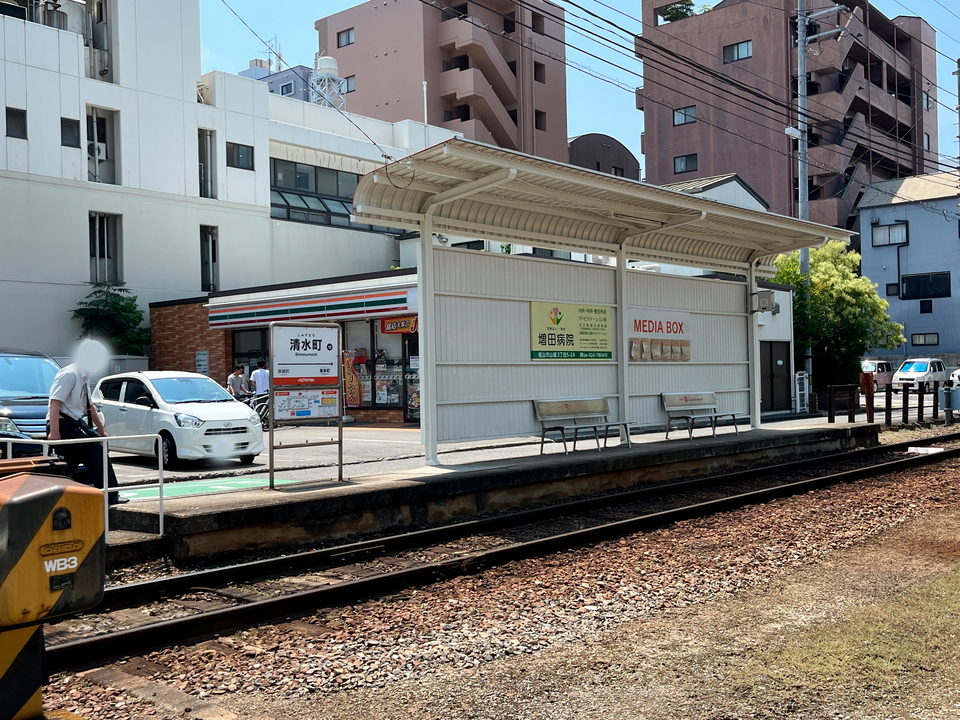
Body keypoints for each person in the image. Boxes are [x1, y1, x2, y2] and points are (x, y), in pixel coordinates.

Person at [46, 339, 127, 504]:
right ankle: (110, 495)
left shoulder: (84, 375)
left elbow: (89, 405)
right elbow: (55, 402)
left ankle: (55, 494)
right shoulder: (69, 374)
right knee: (96, 450)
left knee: (70, 461)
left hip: (74, 423)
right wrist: (54, 431)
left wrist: (102, 429)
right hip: (63, 424)